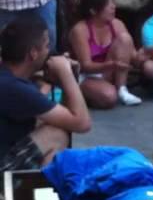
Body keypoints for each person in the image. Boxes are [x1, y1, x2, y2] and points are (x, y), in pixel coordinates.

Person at [0, 18, 91, 171]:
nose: (50, 52)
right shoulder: (14, 88)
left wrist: (60, 82)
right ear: (33, 53)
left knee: (49, 122)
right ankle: (36, 190)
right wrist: (66, 74)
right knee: (56, 134)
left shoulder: (9, 78)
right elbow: (82, 123)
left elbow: (63, 117)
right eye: (47, 46)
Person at [66, 0, 143, 109]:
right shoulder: (80, 30)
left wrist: (145, 54)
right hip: (86, 76)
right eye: (109, 5)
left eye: (113, 3)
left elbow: (133, 56)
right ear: (93, 11)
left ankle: (122, 89)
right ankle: (86, 94)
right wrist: (112, 65)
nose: (114, 7)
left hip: (108, 72)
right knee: (109, 97)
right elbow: (86, 66)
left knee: (125, 38)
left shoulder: (117, 24)